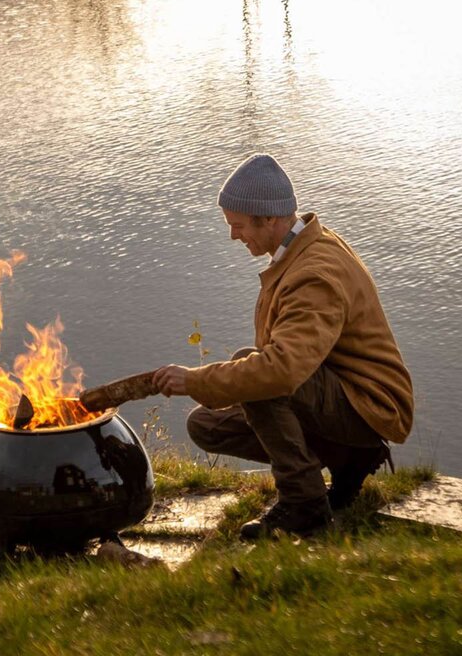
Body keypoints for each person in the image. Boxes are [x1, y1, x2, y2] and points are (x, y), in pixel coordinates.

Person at [152, 154, 413, 539]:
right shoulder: (300, 248)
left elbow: (281, 370)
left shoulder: (315, 273)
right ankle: (347, 461)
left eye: (238, 226)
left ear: (269, 219)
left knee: (257, 373)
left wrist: (195, 379)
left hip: (369, 405)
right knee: (207, 425)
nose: (234, 236)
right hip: (335, 394)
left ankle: (304, 504)